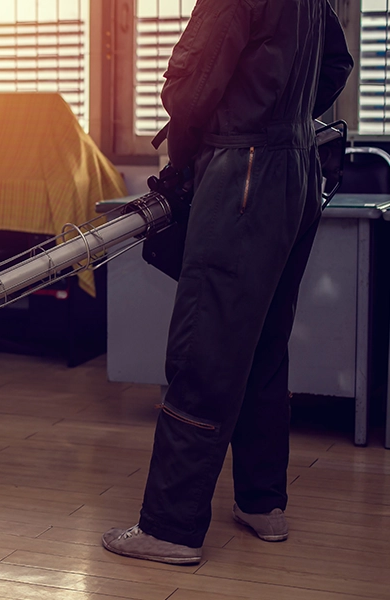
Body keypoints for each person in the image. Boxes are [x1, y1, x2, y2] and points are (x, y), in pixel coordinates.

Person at [102, 0, 354, 564]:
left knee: (205, 346)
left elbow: (189, 87)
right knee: (263, 342)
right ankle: (263, 503)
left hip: (241, 173)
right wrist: (278, 112)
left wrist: (196, 152)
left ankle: (170, 528)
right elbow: (337, 64)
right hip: (296, 169)